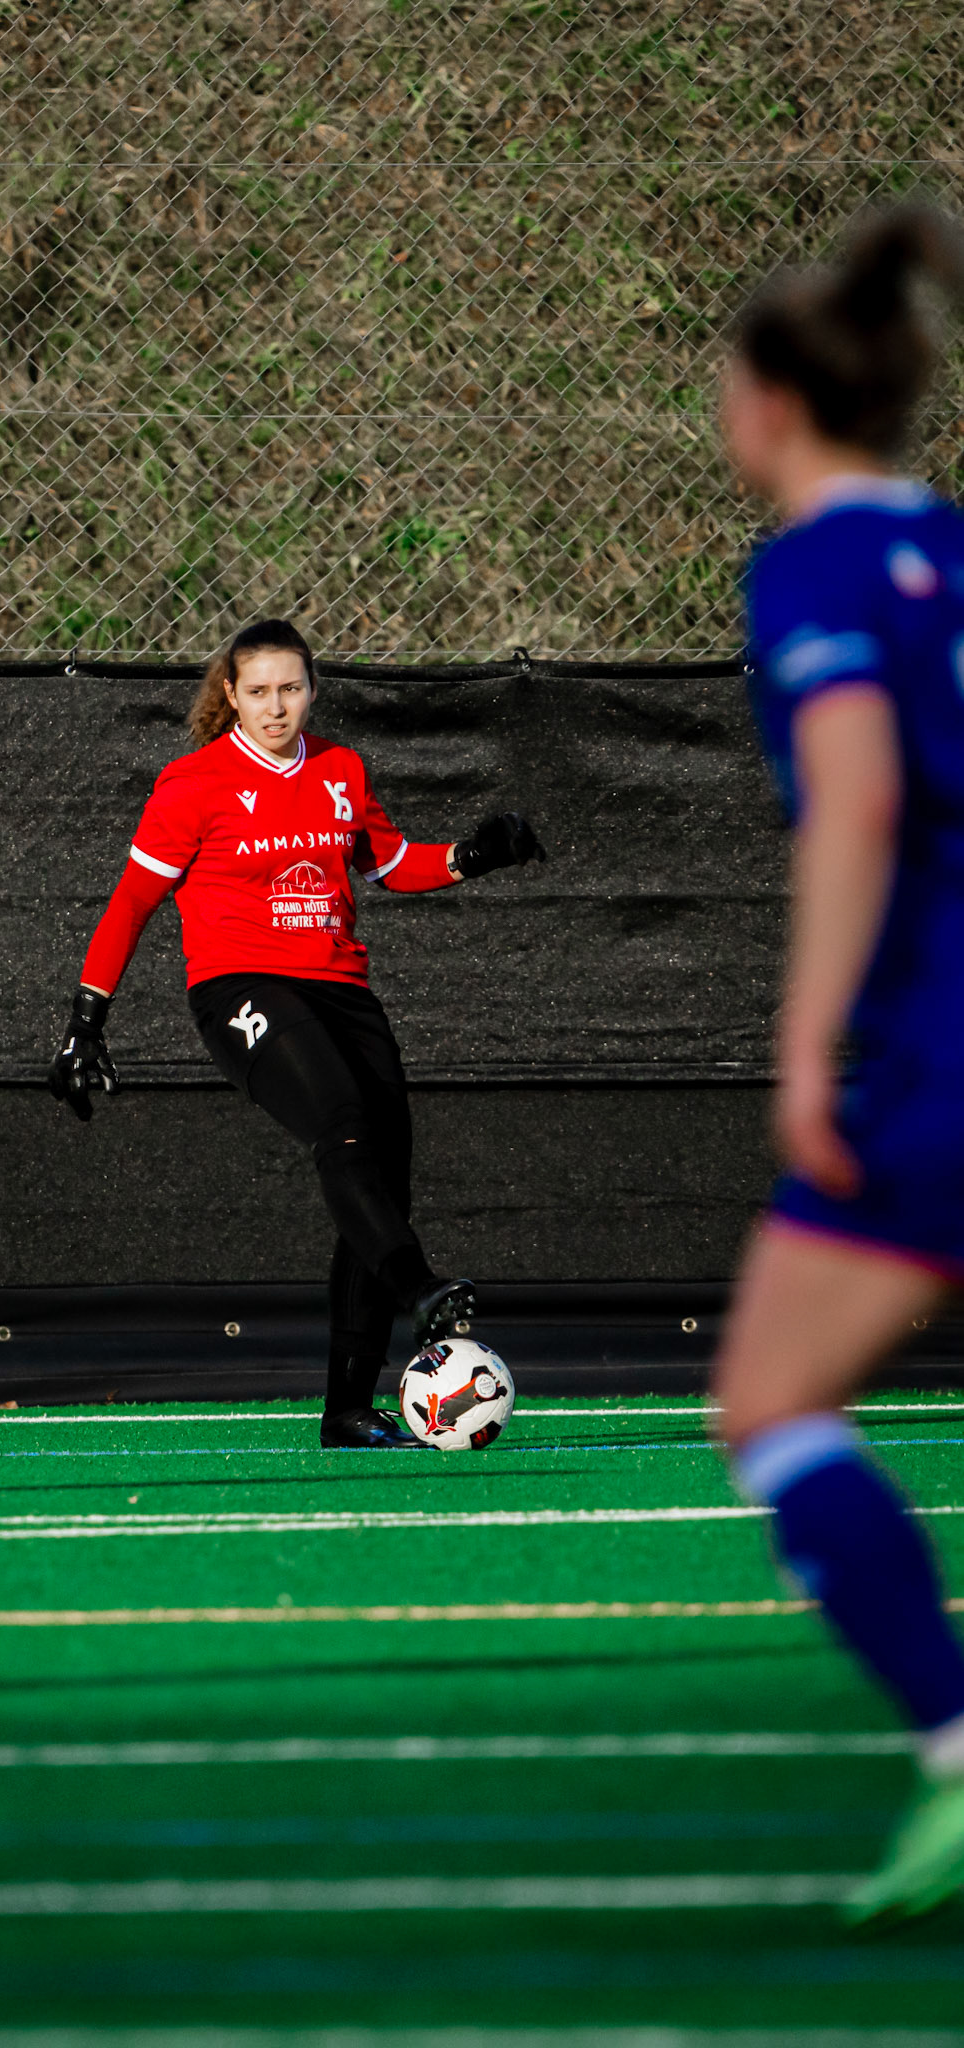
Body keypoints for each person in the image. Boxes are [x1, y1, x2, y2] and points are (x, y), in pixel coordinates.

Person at [715, 200, 964, 1922]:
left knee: (773, 1401)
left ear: (779, 403)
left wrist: (808, 1039)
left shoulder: (807, 567)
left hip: (940, 1041)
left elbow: (861, 796)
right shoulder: (954, 547)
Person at [50, 617, 545, 1449]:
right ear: (229, 698)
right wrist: (85, 1018)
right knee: (341, 1125)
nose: (275, 707)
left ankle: (348, 1411)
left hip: (341, 989)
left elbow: (389, 865)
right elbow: (132, 903)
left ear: (312, 691)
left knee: (381, 1178)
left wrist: (470, 855)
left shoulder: (340, 769)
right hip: (239, 986)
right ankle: (417, 1287)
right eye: (257, 692)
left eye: (290, 688)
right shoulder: (192, 783)